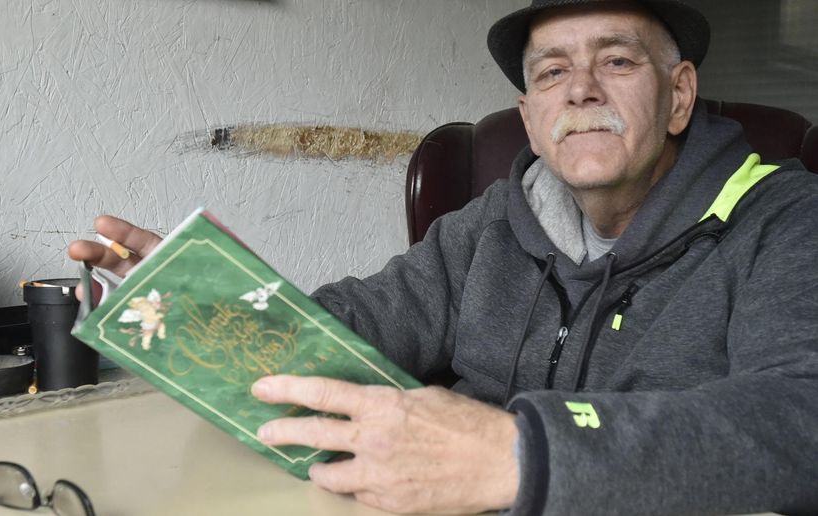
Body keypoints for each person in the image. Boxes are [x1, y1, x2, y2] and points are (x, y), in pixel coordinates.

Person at [69, 0, 818, 514]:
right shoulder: (488, 224)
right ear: (529, 118)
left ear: (679, 96)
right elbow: (354, 329)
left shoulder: (787, 220)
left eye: (616, 61)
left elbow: (799, 420)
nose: (581, 90)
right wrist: (216, 300)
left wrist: (522, 454)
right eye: (551, 72)